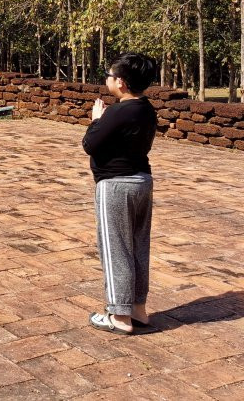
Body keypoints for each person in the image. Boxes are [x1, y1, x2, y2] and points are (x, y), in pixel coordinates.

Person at [82, 52, 158, 334]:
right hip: (141, 181)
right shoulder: (146, 108)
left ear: (121, 83)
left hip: (115, 184)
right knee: (138, 245)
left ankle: (119, 315)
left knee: (115, 248)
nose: (108, 80)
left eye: (110, 76)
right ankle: (138, 308)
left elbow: (90, 144)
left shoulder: (118, 111)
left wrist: (96, 119)